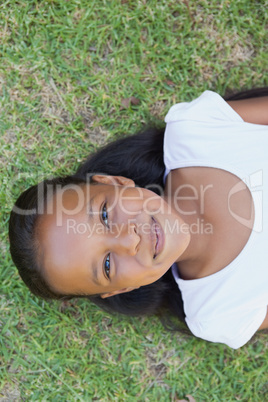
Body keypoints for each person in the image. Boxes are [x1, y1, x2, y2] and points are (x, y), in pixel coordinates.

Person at [9, 88, 268, 349]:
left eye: (105, 215)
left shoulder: (198, 130)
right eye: (107, 265)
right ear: (123, 289)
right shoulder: (219, 314)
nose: (129, 239)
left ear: (115, 182)